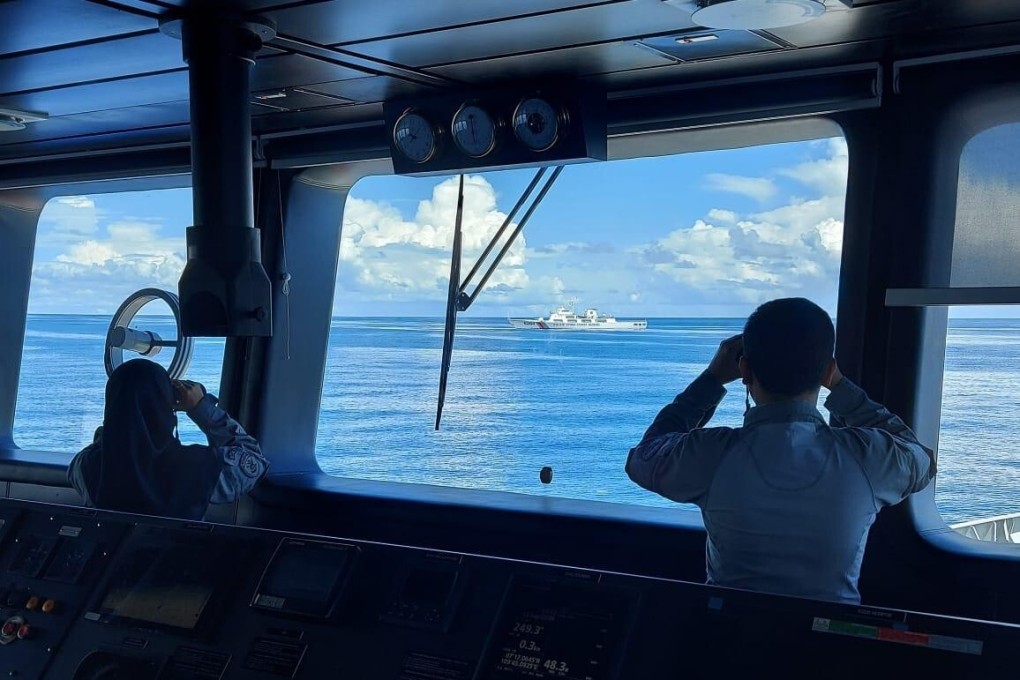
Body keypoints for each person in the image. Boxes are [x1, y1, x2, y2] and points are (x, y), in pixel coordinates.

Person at [625, 297, 936, 604]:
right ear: (827, 371)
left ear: (744, 369)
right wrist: (841, 388)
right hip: (832, 646)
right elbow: (922, 458)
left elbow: (644, 457)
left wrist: (712, 379)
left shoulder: (710, 455)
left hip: (728, 642)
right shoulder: (869, 457)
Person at [68, 359, 268, 520]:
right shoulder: (197, 467)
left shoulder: (85, 467)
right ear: (166, 408)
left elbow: (106, 440)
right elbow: (254, 460)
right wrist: (200, 408)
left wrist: (121, 419)